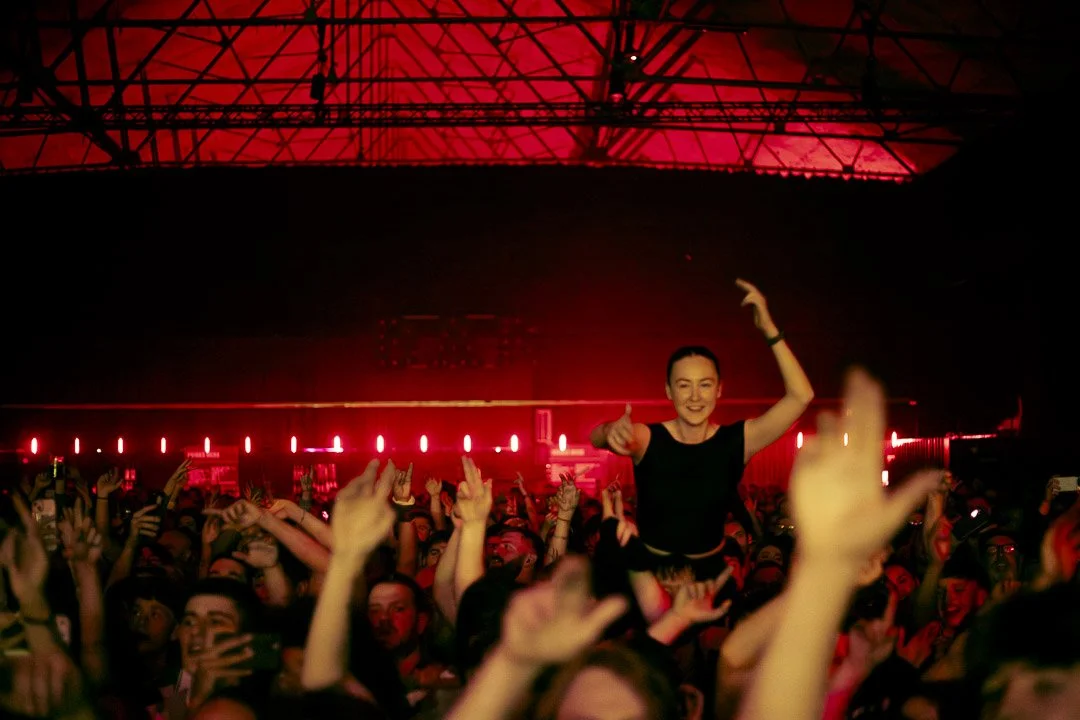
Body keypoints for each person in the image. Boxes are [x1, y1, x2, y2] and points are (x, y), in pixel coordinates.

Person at [590, 279, 814, 577]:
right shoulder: (647, 437)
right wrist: (609, 432)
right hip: (649, 574)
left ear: (719, 390)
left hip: (709, 578)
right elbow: (596, 437)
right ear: (669, 391)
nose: (695, 397)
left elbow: (802, 396)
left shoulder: (738, 440)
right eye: (684, 386)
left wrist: (769, 330)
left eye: (704, 385)